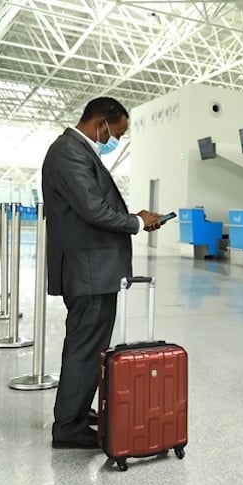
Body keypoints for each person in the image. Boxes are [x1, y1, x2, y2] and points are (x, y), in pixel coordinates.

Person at [42, 97, 162, 449]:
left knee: (90, 345)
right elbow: (92, 209)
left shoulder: (75, 150)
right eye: (116, 134)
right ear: (101, 124)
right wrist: (136, 222)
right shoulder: (69, 151)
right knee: (85, 347)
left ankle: (76, 410)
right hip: (89, 271)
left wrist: (135, 219)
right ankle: (69, 427)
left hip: (92, 270)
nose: (115, 141)